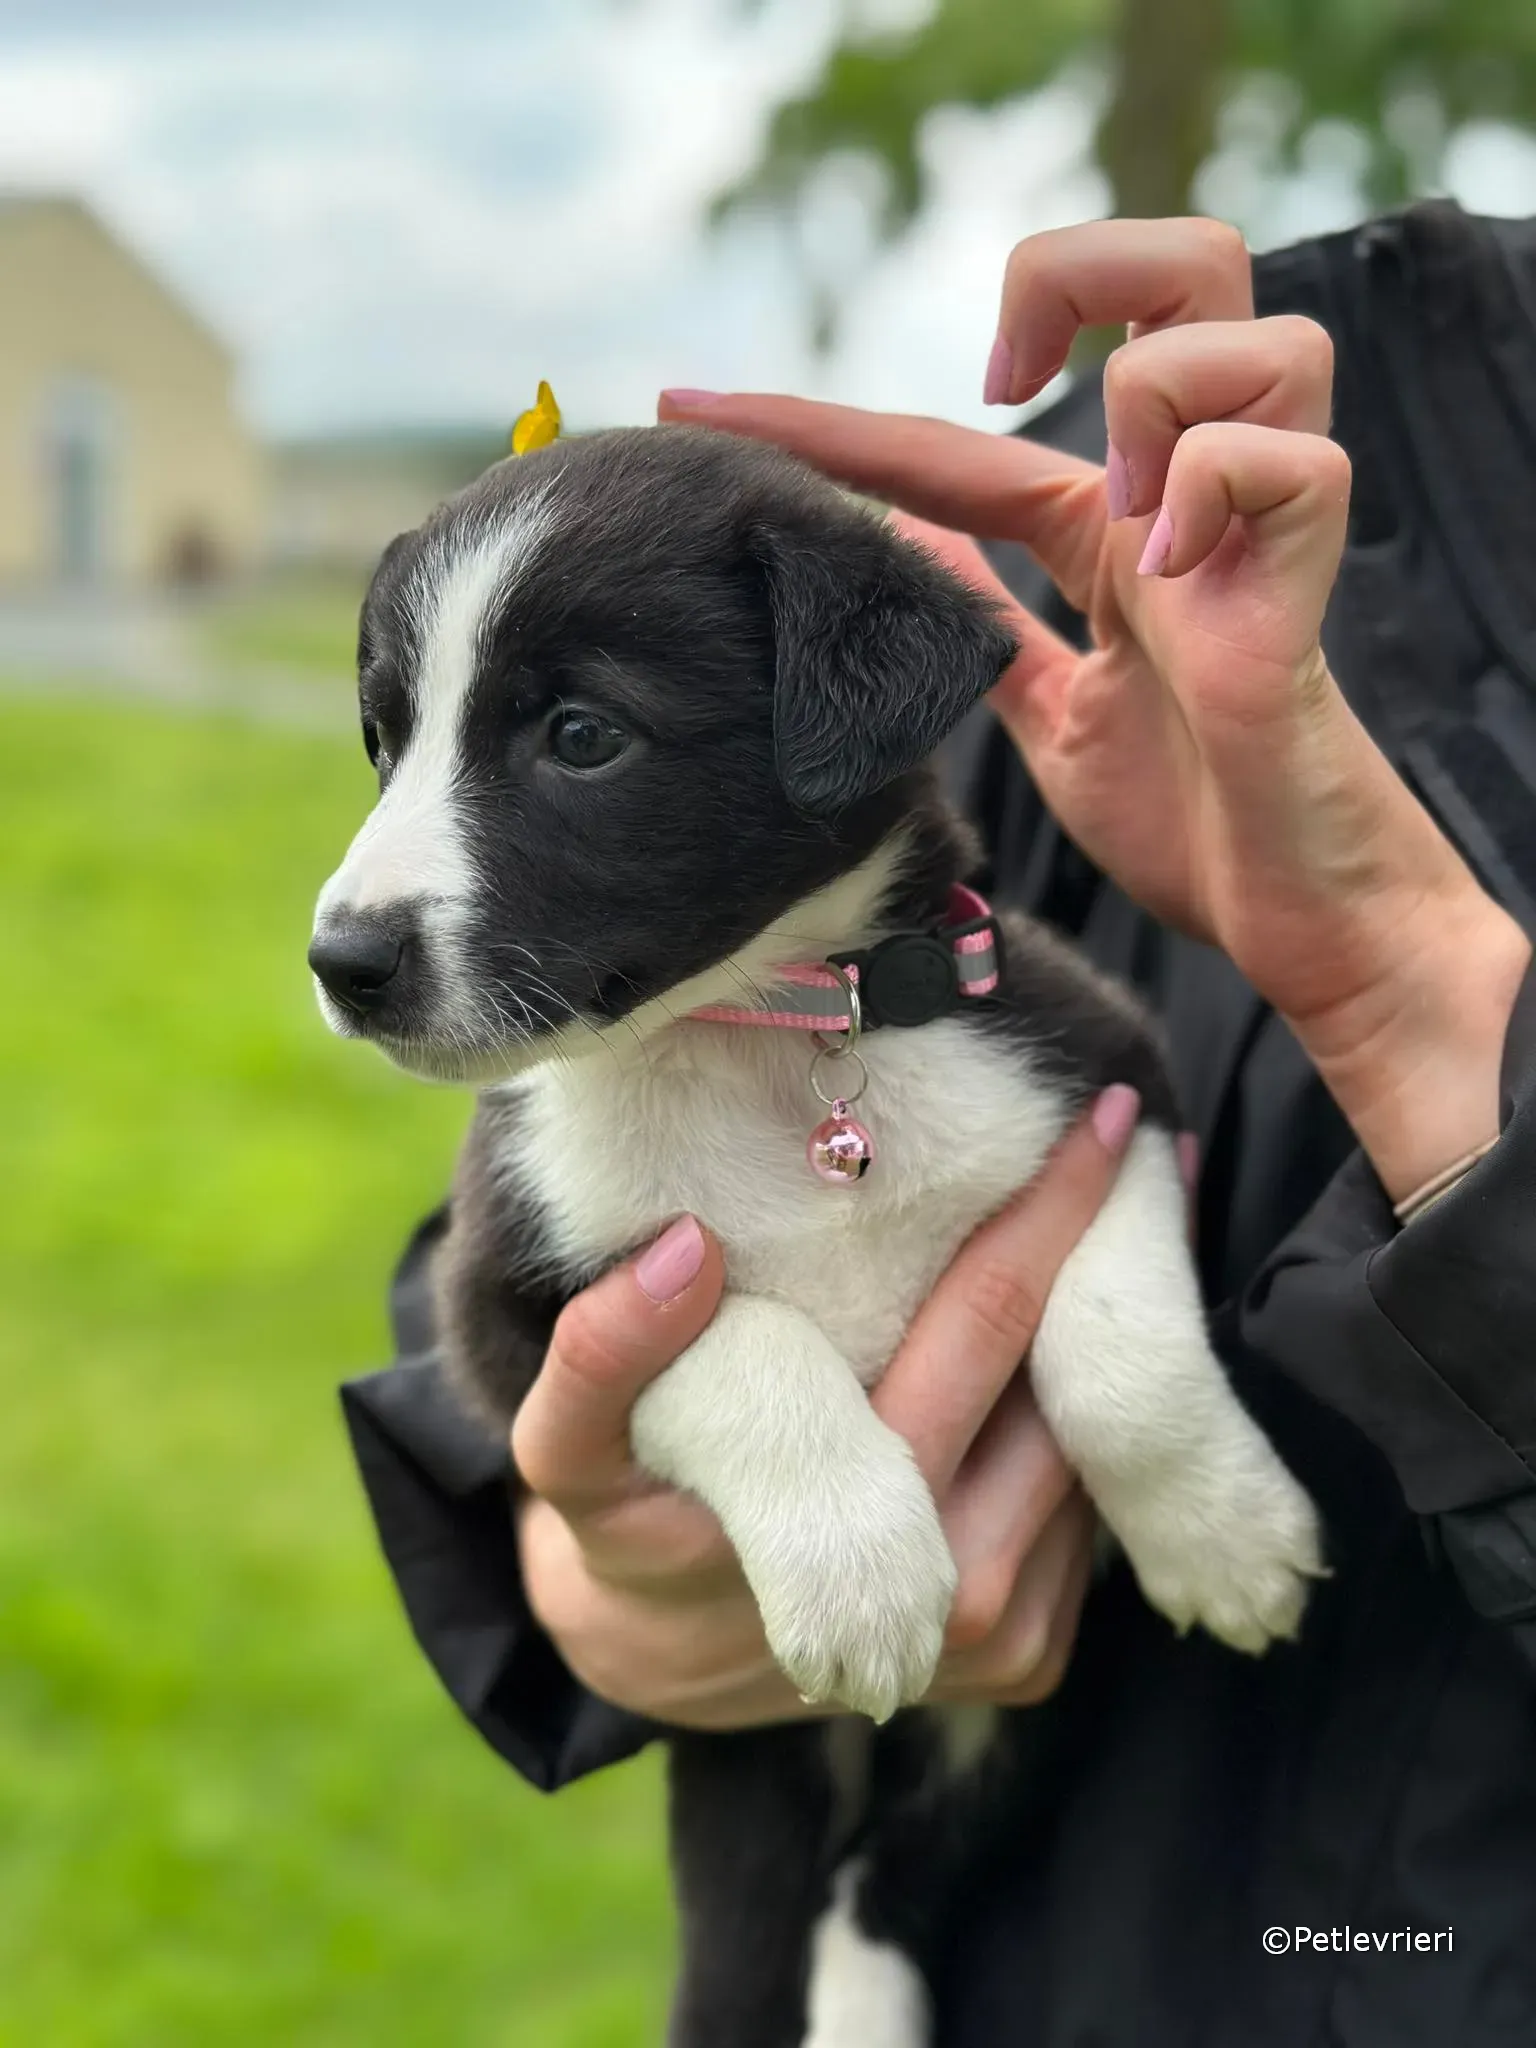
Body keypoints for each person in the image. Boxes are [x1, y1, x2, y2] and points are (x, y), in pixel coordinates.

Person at [343, 208, 1536, 2044]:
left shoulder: (978, 985)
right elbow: (499, 1329)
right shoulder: (1138, 495)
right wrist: (596, 1557)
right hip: (808, 1841)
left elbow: (1109, 1129)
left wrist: (1148, 1411)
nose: (365, 891)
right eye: (397, 739)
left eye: (571, 738)